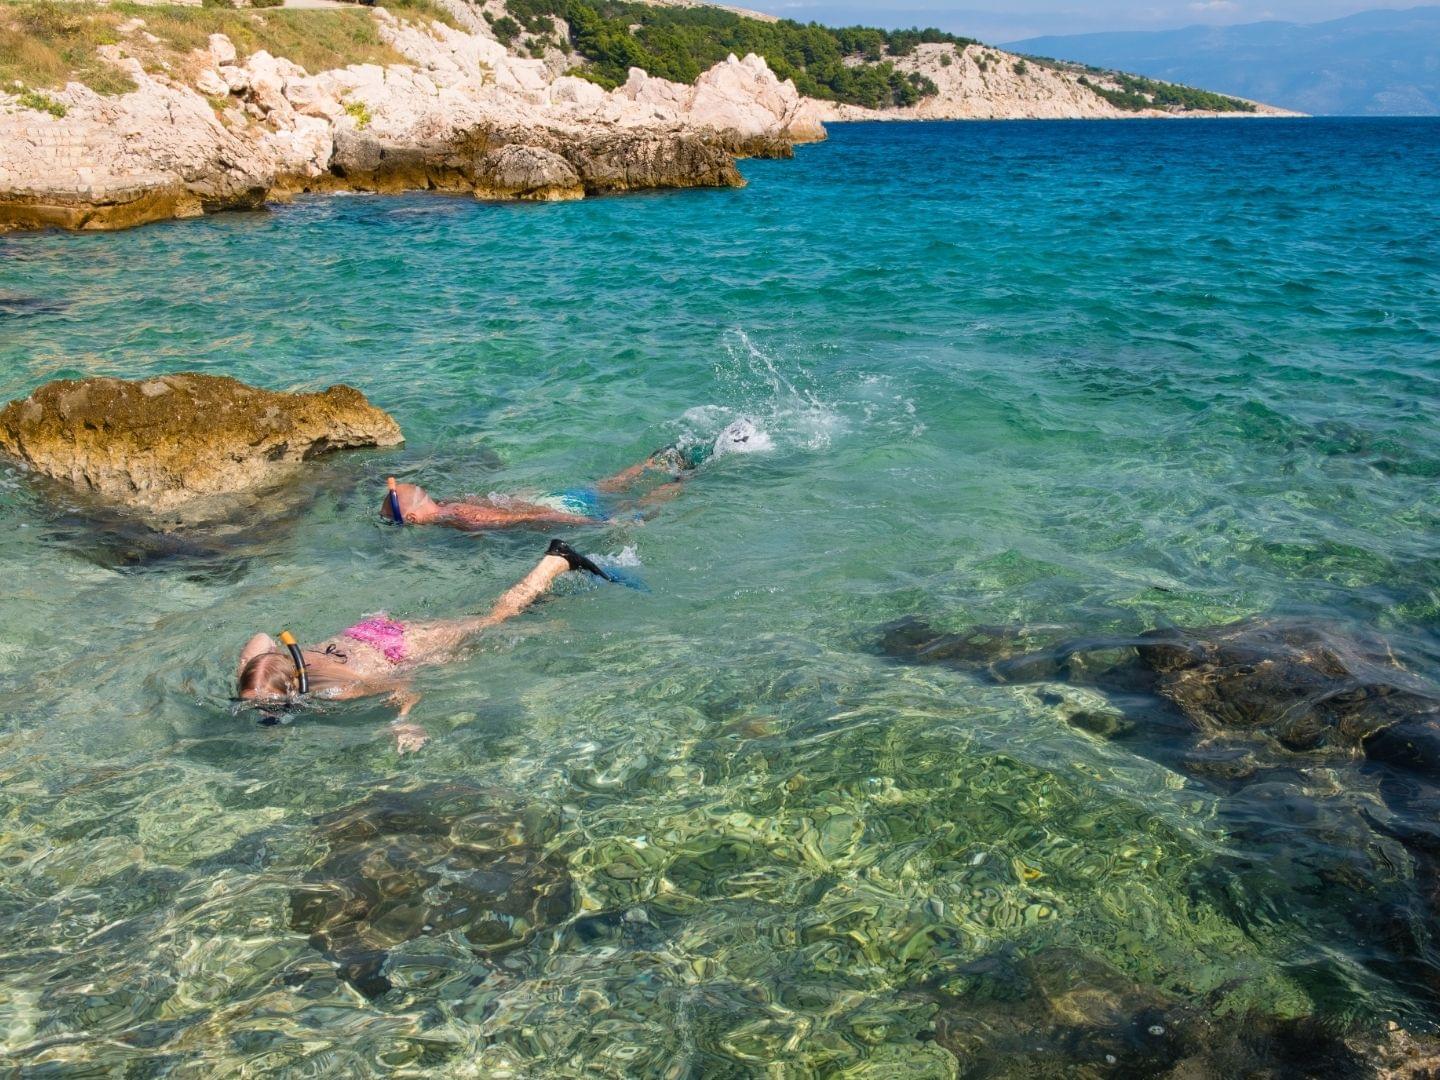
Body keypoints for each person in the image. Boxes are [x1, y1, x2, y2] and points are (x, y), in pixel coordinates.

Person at [236, 539, 612, 753]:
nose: (263, 712)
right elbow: (261, 638)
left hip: (402, 648)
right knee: (473, 634)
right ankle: (541, 598)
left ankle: (556, 561)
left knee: (494, 620)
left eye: (266, 706)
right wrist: (254, 677)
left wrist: (403, 723)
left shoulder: (337, 691)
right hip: (370, 630)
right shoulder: (268, 663)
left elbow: (401, 686)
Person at [380, 418, 764, 530]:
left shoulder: (456, 516)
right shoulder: (450, 502)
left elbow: (523, 517)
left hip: (555, 508)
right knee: (612, 483)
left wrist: (588, 525)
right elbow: (514, 501)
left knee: (636, 507)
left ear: (412, 518)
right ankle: (662, 459)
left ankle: (697, 472)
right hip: (557, 494)